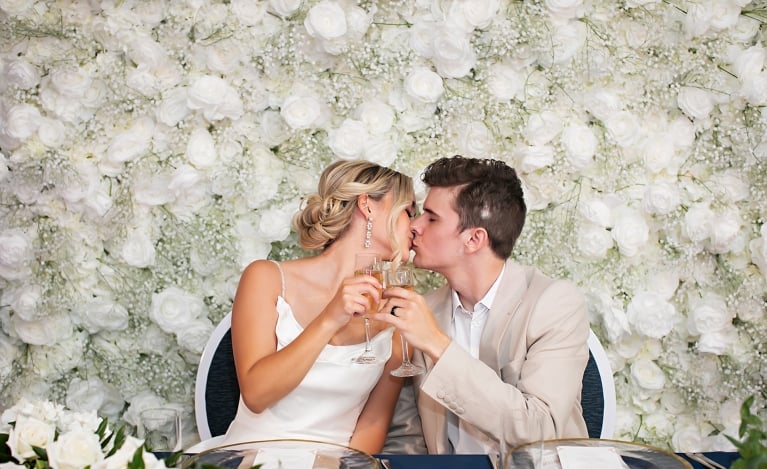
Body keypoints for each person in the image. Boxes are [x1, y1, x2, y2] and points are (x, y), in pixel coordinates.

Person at [375, 155, 590, 455]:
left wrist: (438, 344)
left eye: (431, 217)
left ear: (474, 239)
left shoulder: (554, 303)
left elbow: (540, 430)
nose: (414, 226)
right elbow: (408, 435)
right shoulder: (425, 309)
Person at [221, 159, 416, 454]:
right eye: (408, 211)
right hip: (253, 459)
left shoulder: (396, 317)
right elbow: (256, 394)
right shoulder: (266, 278)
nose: (415, 226)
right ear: (368, 205)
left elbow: (372, 426)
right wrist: (329, 320)